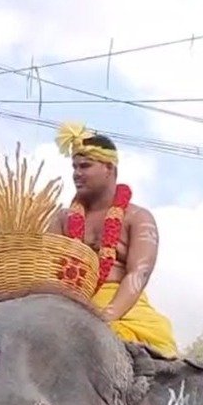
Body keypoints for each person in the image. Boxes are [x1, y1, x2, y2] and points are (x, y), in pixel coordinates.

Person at [50, 123, 176, 357]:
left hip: (124, 309)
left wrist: (106, 317)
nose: (77, 173)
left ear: (109, 168)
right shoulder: (62, 219)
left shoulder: (138, 217)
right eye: (74, 167)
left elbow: (138, 273)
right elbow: (49, 270)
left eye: (85, 166)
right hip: (71, 305)